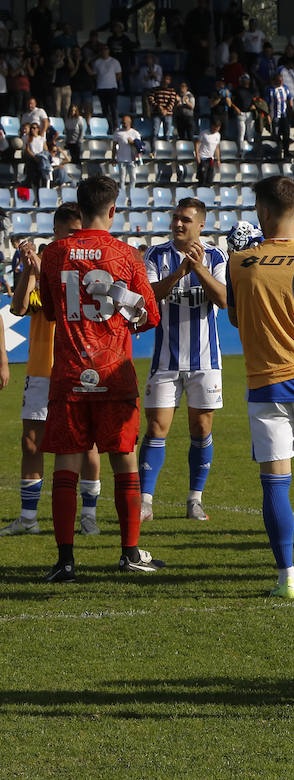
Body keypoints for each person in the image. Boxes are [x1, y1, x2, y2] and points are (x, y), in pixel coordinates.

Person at [38, 175, 162, 581]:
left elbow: (54, 312)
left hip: (70, 373)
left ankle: (65, 561)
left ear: (79, 205)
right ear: (113, 210)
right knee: (124, 463)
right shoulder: (126, 254)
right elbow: (151, 316)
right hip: (114, 373)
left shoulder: (54, 253)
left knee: (66, 466)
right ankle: (128, 552)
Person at [226, 176, 294, 597]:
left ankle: (286, 575)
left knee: (276, 480)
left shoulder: (241, 262)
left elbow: (236, 319)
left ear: (262, 212)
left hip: (265, 385)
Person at [0, 207, 103, 538]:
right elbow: (18, 308)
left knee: (86, 442)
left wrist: (43, 268)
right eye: (64, 233)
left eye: (75, 231)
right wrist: (29, 272)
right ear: (56, 232)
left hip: (78, 365)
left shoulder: (86, 265)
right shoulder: (45, 262)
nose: (71, 238)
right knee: (32, 442)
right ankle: (28, 518)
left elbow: (71, 298)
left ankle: (89, 514)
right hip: (42, 368)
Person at [137, 199, 229, 522]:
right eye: (175, 218)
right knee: (156, 427)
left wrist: (199, 268)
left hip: (205, 360)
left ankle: (195, 499)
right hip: (165, 358)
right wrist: (179, 272)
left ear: (200, 224)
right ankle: (145, 502)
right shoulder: (156, 255)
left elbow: (223, 299)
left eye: (185, 220)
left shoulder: (217, 255)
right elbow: (150, 297)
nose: (178, 224)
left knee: (200, 427)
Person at [195, 119, 222, 186]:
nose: (216, 129)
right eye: (215, 127)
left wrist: (218, 160)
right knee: (202, 177)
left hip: (211, 159)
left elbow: (217, 148)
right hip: (203, 158)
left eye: (218, 128)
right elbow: (197, 144)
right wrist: (197, 155)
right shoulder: (204, 133)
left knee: (209, 178)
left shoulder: (218, 135)